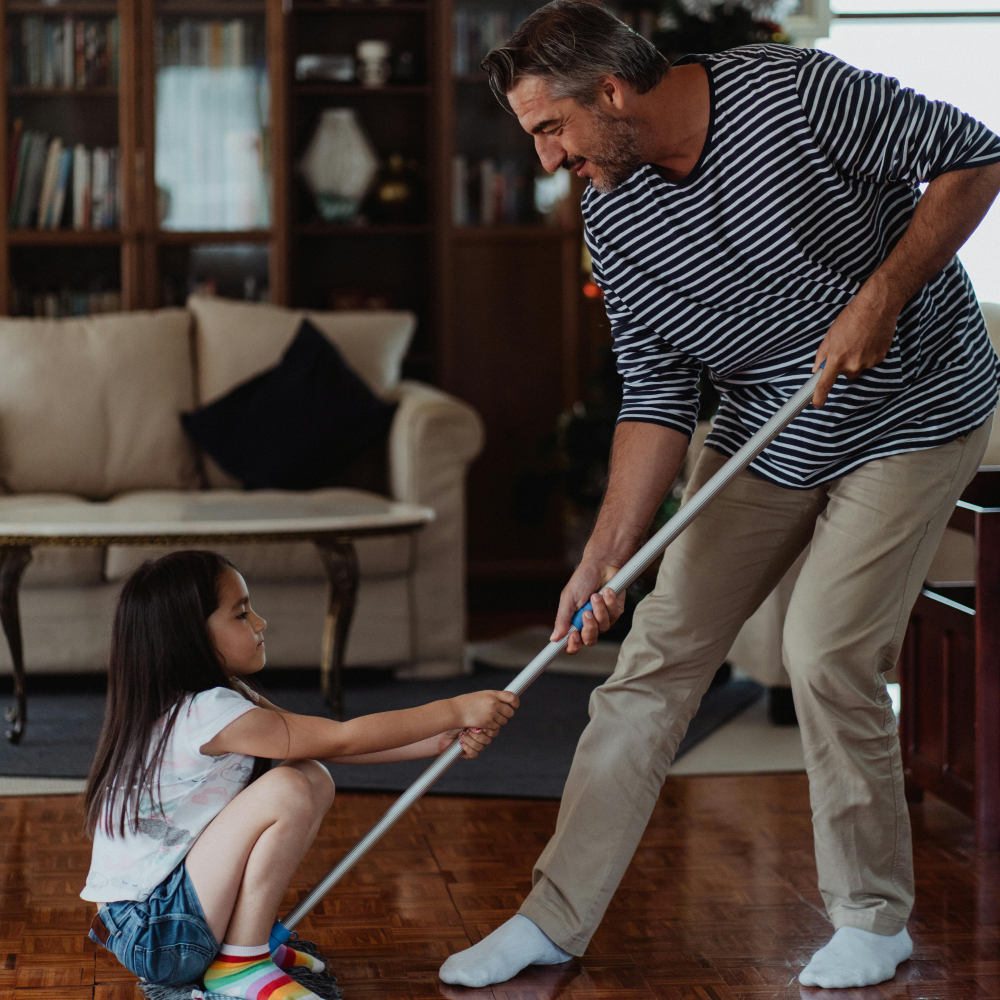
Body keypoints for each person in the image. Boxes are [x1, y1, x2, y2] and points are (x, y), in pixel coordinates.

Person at [439, 1, 1000, 991]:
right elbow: (656, 397)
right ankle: (552, 918)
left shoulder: (792, 95)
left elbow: (974, 155)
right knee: (651, 661)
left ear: (609, 92)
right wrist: (603, 557)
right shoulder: (612, 211)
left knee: (825, 649)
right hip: (765, 434)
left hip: (913, 411)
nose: (547, 161)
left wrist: (881, 295)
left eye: (549, 130)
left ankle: (872, 918)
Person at [82, 550, 518, 999]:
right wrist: (451, 708)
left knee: (310, 774)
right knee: (289, 787)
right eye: (241, 613)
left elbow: (324, 745)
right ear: (189, 635)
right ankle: (239, 963)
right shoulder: (204, 713)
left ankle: (238, 946)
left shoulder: (214, 699)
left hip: (162, 919)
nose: (260, 622)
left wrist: (438, 739)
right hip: (156, 932)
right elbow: (342, 737)